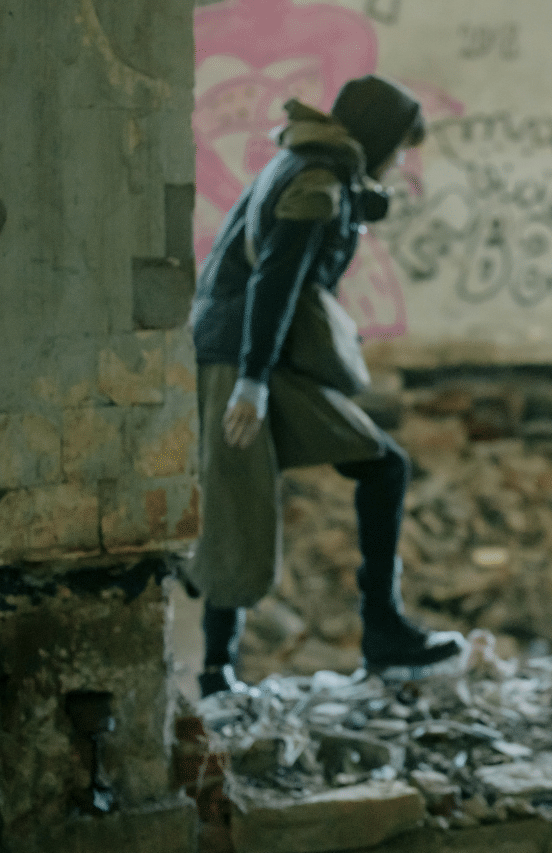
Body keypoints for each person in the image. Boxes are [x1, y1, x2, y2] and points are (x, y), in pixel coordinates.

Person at [188, 76, 459, 696]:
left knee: (254, 493)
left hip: (240, 350)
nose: (400, 162)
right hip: (240, 359)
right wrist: (252, 381)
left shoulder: (304, 162)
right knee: (240, 503)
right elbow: (275, 280)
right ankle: (220, 675)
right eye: (399, 148)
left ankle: (223, 670)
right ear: (378, 139)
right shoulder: (317, 184)